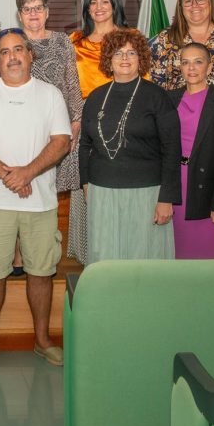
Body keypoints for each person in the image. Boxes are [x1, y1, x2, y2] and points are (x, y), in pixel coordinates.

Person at [0, 30, 70, 369]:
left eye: (18, 50)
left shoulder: (50, 94)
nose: (12, 57)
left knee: (41, 271)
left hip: (40, 202)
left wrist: (28, 173)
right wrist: (11, 176)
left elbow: (61, 142)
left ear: (30, 55)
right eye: (4, 52)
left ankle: (42, 340)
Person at [78, 28, 180, 263]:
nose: (124, 58)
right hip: (102, 191)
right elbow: (84, 145)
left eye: (131, 53)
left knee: (143, 261)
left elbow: (172, 149)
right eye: (118, 53)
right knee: (106, 259)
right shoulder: (95, 97)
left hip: (146, 194)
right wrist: (85, 182)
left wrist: (166, 198)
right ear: (108, 60)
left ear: (140, 58)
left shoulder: (157, 96)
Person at [0, 0, 81, 276]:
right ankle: (18, 255)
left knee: (47, 192)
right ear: (19, 15)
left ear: (46, 12)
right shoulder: (12, 43)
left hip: (57, 129)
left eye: (37, 8)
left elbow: (72, 82)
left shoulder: (62, 42)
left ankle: (43, 251)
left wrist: (76, 120)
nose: (33, 14)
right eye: (27, 9)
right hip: (20, 127)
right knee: (20, 185)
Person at [67, 0, 126, 264]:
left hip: (123, 121)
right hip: (85, 123)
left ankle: (121, 253)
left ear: (114, 5)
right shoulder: (75, 41)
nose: (99, 7)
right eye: (93, 2)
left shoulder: (130, 39)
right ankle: (90, 255)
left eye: (105, 1)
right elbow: (67, 84)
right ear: (87, 8)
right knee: (88, 189)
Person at [167, 43, 214, 259]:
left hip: (206, 190)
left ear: (209, 67)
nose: (191, 68)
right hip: (173, 187)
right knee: (173, 258)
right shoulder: (168, 99)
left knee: (204, 259)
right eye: (185, 62)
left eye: (198, 62)